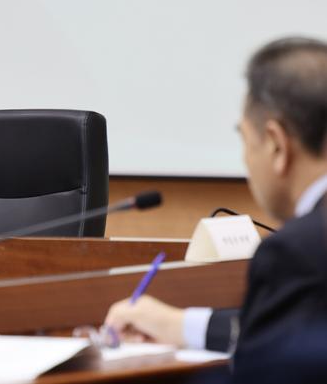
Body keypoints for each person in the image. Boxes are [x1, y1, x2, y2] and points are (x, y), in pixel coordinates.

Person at [105, 38, 327, 379]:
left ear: (276, 144)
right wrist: (180, 325)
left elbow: (259, 371)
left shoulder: (297, 252)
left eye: (245, 139)